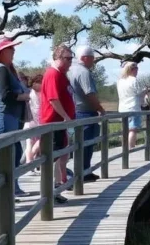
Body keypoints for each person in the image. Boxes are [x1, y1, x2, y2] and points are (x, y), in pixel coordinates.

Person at [0, 37, 29, 198]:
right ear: (1, 52)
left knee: (14, 151)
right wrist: (25, 96)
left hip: (5, 116)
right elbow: (6, 95)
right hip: (2, 116)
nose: (13, 51)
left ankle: (10, 188)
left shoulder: (0, 68)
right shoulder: (0, 68)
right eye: (10, 48)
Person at [40, 45, 75, 204]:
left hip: (58, 123)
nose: (70, 62)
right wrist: (66, 117)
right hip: (52, 123)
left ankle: (54, 190)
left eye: (71, 59)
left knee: (59, 155)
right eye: (68, 59)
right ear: (58, 58)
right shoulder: (53, 74)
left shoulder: (61, 74)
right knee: (52, 158)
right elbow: (53, 99)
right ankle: (49, 193)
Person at [68, 45, 105, 182]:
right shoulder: (83, 72)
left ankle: (84, 171)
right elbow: (89, 93)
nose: (93, 61)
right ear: (85, 57)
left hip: (75, 111)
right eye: (92, 58)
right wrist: (100, 108)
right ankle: (83, 172)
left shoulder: (70, 70)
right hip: (85, 112)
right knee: (86, 144)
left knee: (81, 144)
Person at [116, 62, 145, 150]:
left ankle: (124, 147)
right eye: (136, 69)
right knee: (133, 129)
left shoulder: (120, 81)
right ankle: (130, 148)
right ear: (132, 70)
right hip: (133, 107)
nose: (137, 71)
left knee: (125, 130)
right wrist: (145, 92)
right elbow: (139, 92)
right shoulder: (133, 80)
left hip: (122, 108)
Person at [23, 73, 43, 169]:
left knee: (29, 143)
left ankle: (28, 164)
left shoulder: (29, 93)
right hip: (39, 120)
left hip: (28, 120)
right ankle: (33, 159)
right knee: (41, 140)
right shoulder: (43, 93)